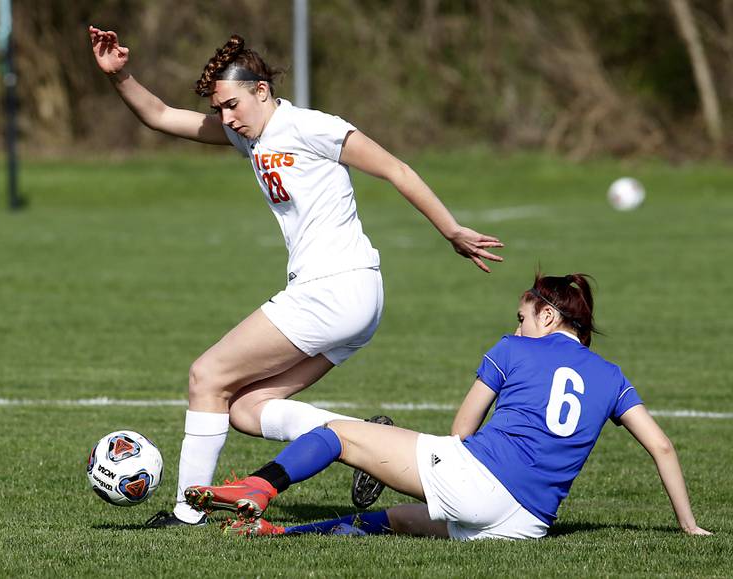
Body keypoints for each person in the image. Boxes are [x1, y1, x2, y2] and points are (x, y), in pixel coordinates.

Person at [88, 27, 504, 527]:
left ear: (261, 90)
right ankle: (364, 438)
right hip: (349, 297)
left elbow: (395, 169)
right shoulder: (250, 137)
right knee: (246, 408)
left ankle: (186, 512)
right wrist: (120, 75)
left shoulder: (310, 127)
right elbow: (159, 116)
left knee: (206, 376)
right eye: (219, 109)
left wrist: (451, 229)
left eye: (231, 105)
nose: (225, 118)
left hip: (334, 287)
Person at [184, 273, 711, 540]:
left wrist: (416, 461)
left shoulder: (513, 349)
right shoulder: (612, 376)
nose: (516, 327)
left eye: (523, 317)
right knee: (396, 520)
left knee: (342, 433)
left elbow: (462, 430)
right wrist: (688, 527)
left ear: (548, 317)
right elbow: (662, 446)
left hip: (478, 480)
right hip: (527, 524)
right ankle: (280, 533)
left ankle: (255, 488)